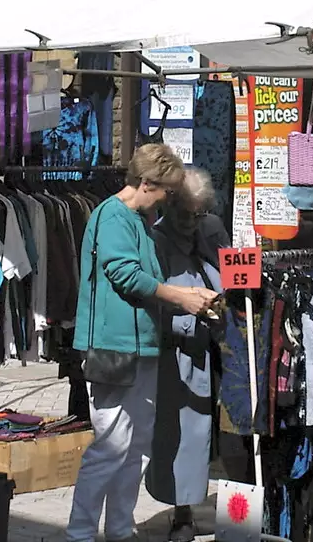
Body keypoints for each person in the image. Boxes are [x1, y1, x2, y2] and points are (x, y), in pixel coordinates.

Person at [68, 145, 219, 542]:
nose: (168, 201)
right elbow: (126, 275)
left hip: (140, 347)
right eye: (167, 192)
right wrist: (181, 297)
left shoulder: (136, 219)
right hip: (113, 347)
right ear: (147, 183)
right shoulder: (112, 217)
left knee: (135, 446)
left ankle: (120, 527)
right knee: (111, 446)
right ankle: (80, 532)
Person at [146, 168, 229, 542]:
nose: (192, 222)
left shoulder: (211, 228)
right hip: (182, 350)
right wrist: (188, 313)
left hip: (222, 345)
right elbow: (153, 300)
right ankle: (182, 513)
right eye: (186, 214)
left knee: (228, 433)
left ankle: (237, 510)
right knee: (182, 434)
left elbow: (229, 271)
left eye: (198, 214)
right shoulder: (156, 239)